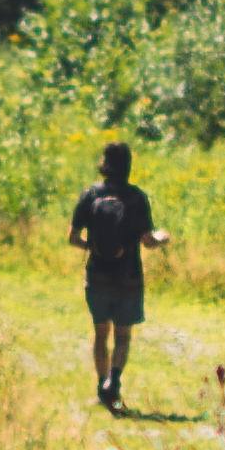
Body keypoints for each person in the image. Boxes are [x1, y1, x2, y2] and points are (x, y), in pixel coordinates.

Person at [68, 136, 161, 412]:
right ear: (128, 166)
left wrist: (93, 249)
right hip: (128, 276)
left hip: (96, 275)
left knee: (100, 334)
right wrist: (162, 238)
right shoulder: (136, 198)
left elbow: (72, 237)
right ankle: (114, 380)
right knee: (122, 336)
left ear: (104, 164)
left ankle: (101, 386)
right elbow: (147, 240)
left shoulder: (90, 195)